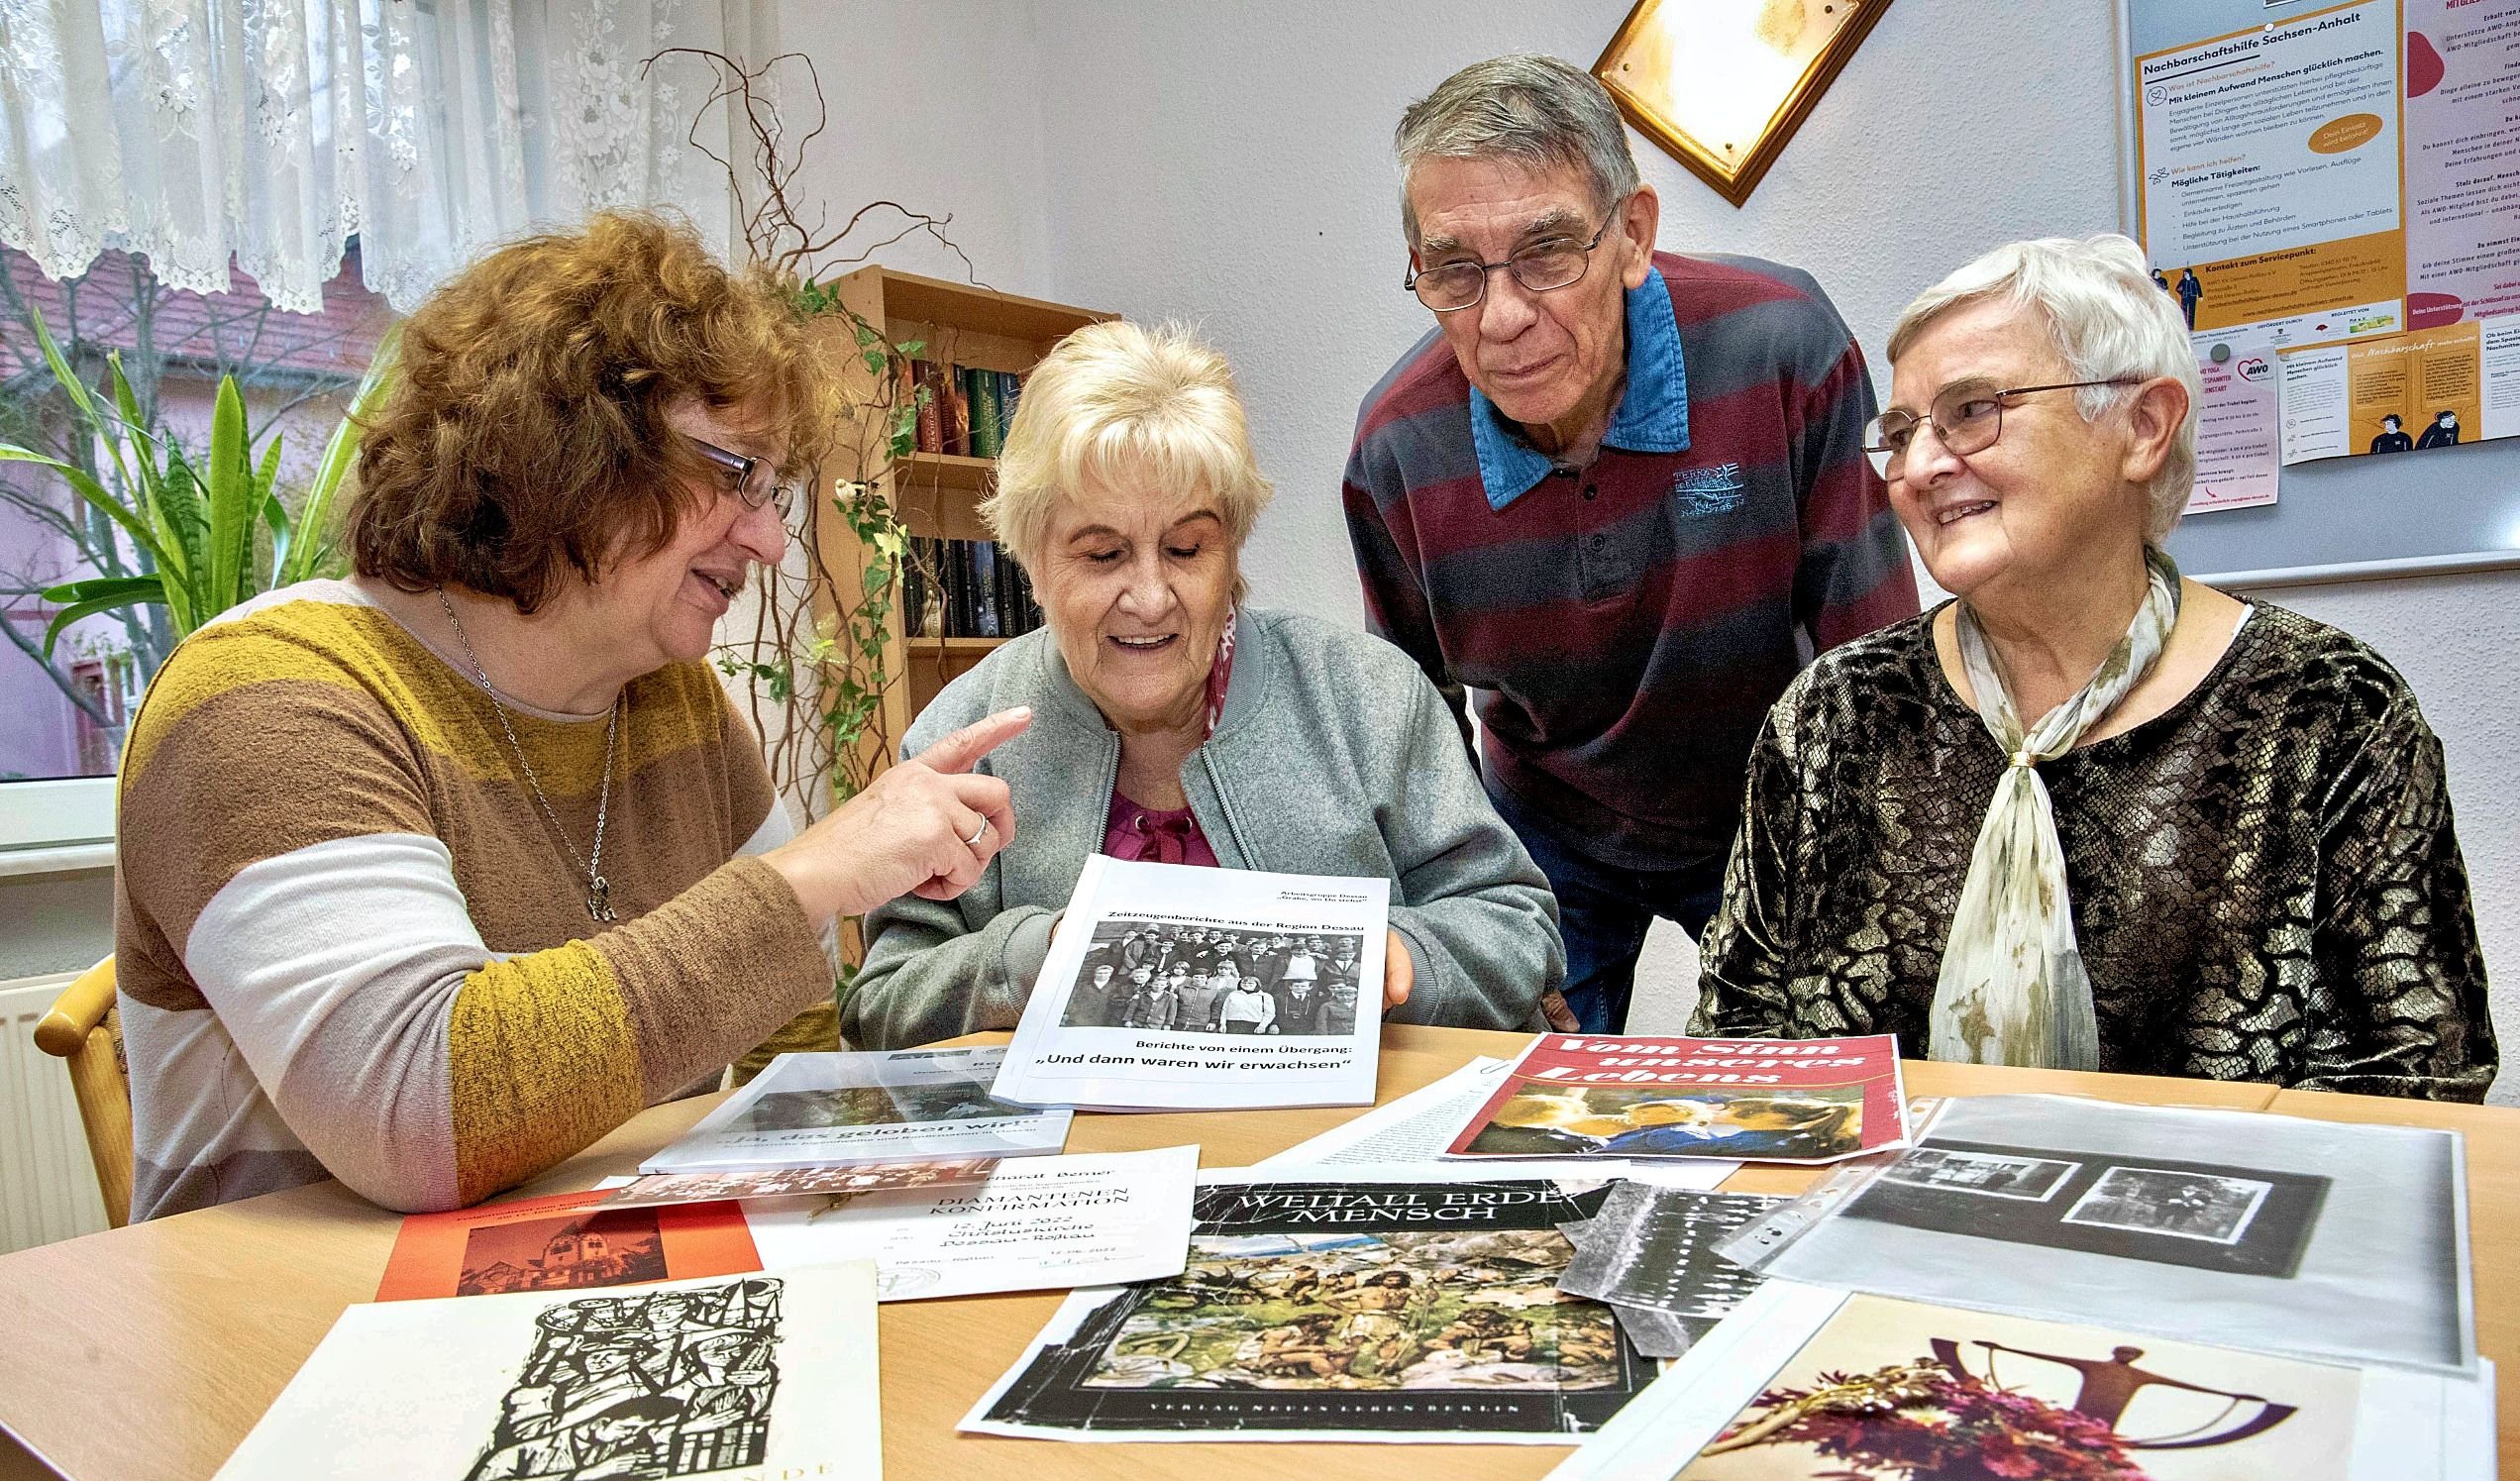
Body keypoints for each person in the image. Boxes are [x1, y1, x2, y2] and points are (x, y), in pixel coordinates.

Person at [112, 212, 1031, 1219]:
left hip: (598, 1299)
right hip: (289, 1342)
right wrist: (811, 874)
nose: (769, 539)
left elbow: (790, 1036)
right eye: (737, 477)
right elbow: (419, 1114)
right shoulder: (269, 696)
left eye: (777, 492)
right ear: (566, 445)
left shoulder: (677, 706)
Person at [1691, 235, 2497, 1101]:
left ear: (2143, 427)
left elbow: (2418, 1085)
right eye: (1901, 432)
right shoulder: (1836, 715)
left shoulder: (2330, 713)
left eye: (1972, 410)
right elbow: (1737, 1047)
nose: (1919, 466)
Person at [1345, 54, 1917, 1032]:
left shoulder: (1782, 348)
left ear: (1633, 236)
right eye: (1454, 271)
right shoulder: (1396, 448)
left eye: (1548, 252)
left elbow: (1874, 664)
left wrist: (1865, 898)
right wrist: (1469, 931)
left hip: (1767, 797)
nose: (1505, 317)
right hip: (1544, 824)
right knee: (1517, 1106)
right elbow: (1414, 740)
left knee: (1825, 1074)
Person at [842, 319, 1566, 1047]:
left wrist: (1401, 956)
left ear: (1233, 550)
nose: (1151, 597)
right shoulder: (964, 734)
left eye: (1186, 548)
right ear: (1032, 558)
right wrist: (1034, 959)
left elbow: (1515, 926)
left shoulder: (1369, 697)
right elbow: (881, 1004)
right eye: (1102, 556)